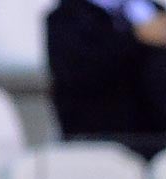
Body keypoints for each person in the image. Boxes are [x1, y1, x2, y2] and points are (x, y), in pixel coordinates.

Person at [46, 0, 166, 160]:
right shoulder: (66, 17)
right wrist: (135, 37)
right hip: (98, 142)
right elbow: (79, 73)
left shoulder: (150, 10)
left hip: (158, 140)